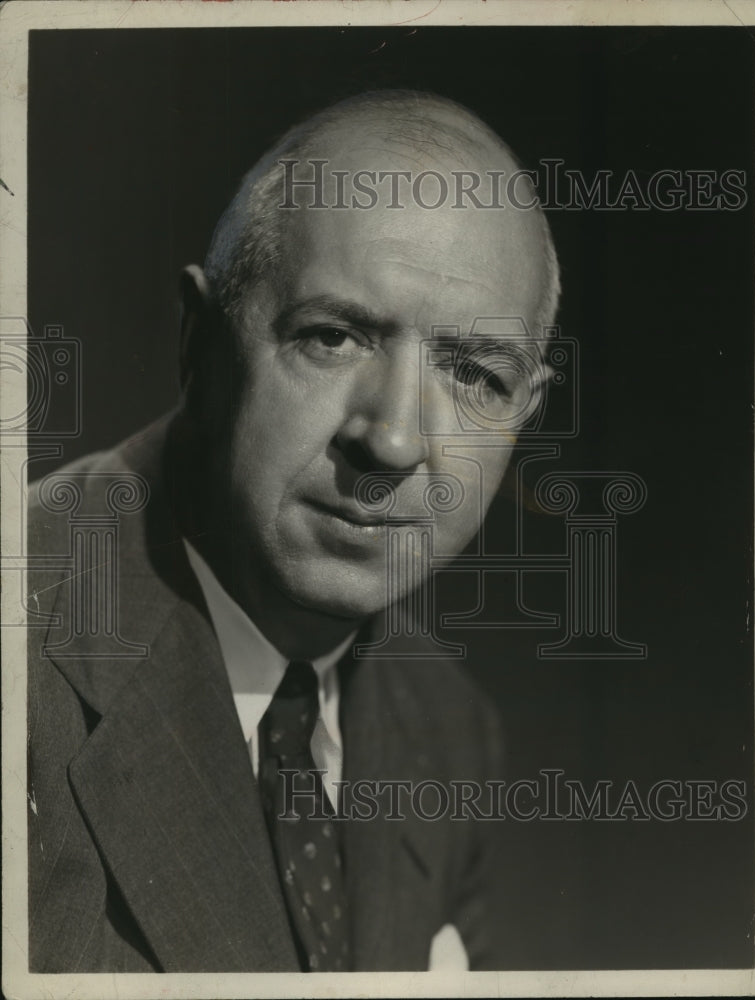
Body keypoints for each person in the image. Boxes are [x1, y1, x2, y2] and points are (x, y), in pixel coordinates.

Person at [26, 89, 560, 973]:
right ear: (197, 338)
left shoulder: (449, 729)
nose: (391, 439)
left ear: (523, 415)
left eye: (471, 372)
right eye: (334, 337)